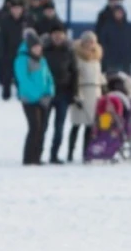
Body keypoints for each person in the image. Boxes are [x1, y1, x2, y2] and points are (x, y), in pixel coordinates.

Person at [14, 35, 55, 166]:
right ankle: (28, 157)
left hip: (43, 99)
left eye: (39, 47)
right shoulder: (21, 60)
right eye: (35, 47)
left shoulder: (42, 60)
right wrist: (38, 96)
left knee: (42, 128)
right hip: (29, 100)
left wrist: (50, 92)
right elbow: (24, 80)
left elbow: (49, 77)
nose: (38, 50)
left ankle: (37, 156)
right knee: (34, 127)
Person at [68, 32, 104, 164]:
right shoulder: (77, 57)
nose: (90, 44)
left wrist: (104, 87)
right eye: (88, 41)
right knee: (77, 125)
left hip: (95, 93)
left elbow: (99, 74)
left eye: (92, 42)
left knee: (90, 126)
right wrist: (77, 95)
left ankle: (86, 153)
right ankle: (70, 152)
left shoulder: (96, 58)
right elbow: (76, 76)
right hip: (82, 91)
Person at [45, 25, 79, 164]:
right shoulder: (45, 51)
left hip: (63, 95)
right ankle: (37, 153)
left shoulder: (69, 52)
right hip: (46, 94)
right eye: (55, 34)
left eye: (60, 34)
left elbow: (75, 73)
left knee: (59, 127)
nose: (58, 37)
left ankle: (54, 154)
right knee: (42, 126)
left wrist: (73, 93)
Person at [95, 0, 131, 75]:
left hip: (125, 59)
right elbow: (101, 36)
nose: (114, 3)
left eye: (116, 1)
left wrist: (130, 53)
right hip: (110, 58)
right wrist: (106, 53)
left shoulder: (129, 27)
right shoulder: (104, 18)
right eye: (112, 1)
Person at [0, 0, 26, 99]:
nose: (16, 11)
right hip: (9, 52)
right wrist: (2, 52)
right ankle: (6, 95)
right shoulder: (5, 21)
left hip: (23, 53)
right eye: (14, 9)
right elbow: (1, 38)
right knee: (7, 75)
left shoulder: (27, 21)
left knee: (21, 76)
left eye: (18, 8)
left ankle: (22, 94)